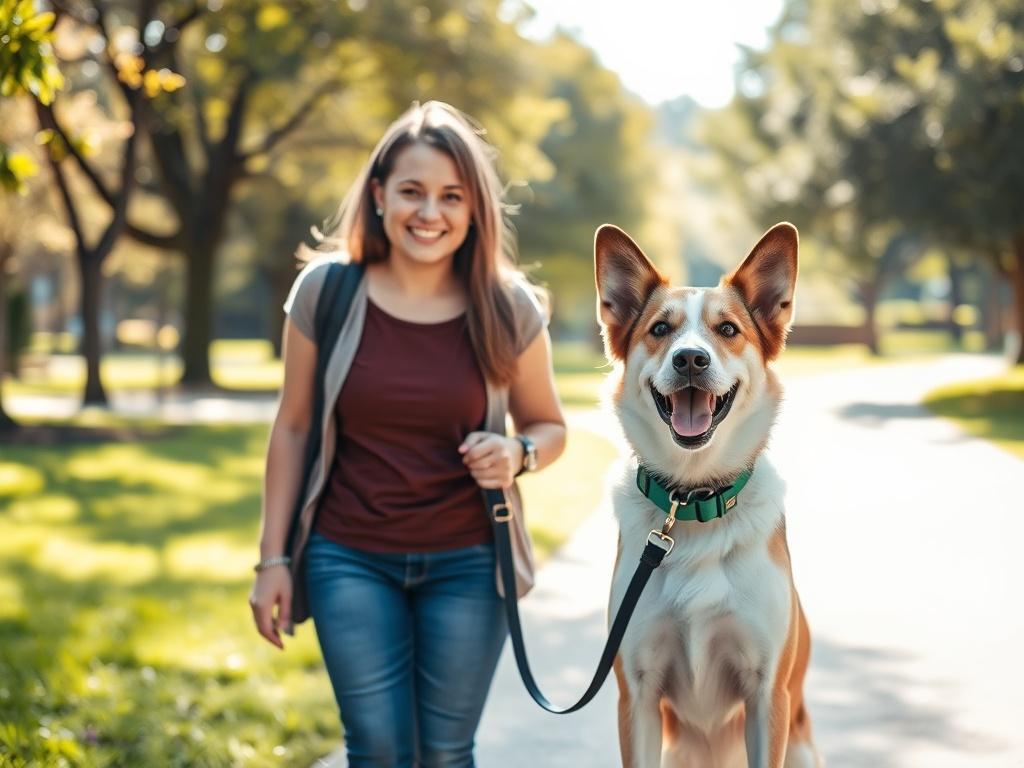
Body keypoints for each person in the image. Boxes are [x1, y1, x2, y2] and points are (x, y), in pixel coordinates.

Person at [249, 100, 567, 767]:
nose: (430, 214)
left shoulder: (509, 309)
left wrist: (518, 452)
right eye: (412, 192)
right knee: (379, 749)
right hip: (348, 558)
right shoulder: (325, 293)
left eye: (452, 196)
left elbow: (549, 426)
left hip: (470, 563)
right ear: (378, 195)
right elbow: (294, 427)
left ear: (475, 207)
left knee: (447, 753)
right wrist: (273, 560)